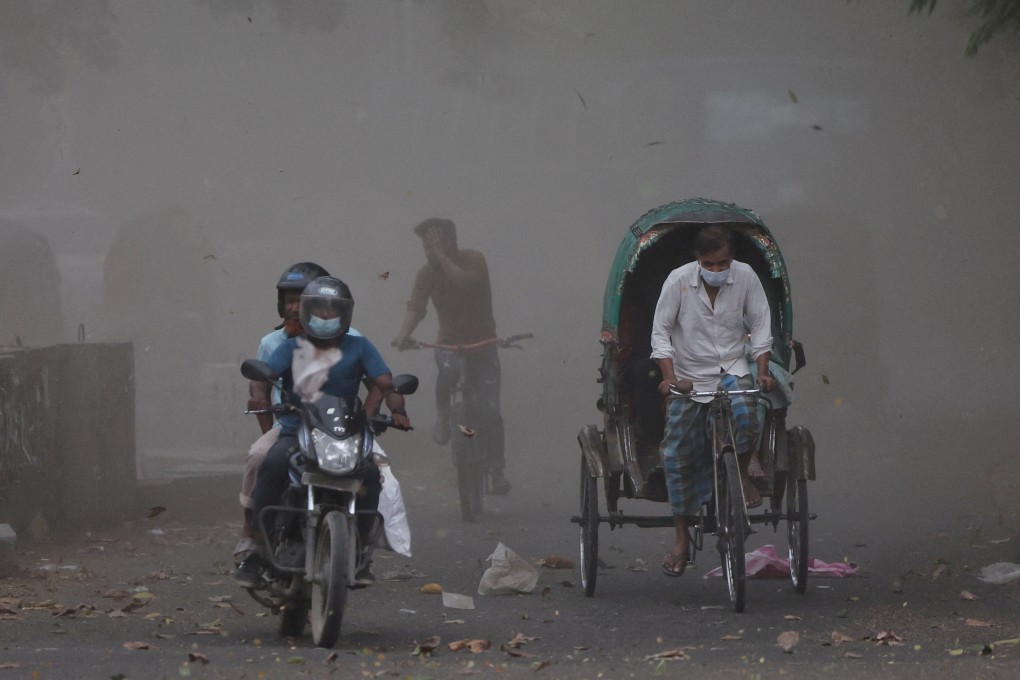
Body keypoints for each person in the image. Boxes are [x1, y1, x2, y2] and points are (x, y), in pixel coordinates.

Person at [233, 276, 411, 587]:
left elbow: (385, 382)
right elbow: (262, 378)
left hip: (345, 432)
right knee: (272, 464)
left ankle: (360, 553)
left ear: (345, 314)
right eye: (320, 310)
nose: (326, 316)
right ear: (307, 312)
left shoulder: (359, 346)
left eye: (333, 310)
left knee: (370, 475)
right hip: (296, 430)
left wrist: (398, 411)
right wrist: (259, 396)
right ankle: (259, 551)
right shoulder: (291, 347)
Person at [650, 225, 776, 577]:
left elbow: (761, 326)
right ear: (698, 259)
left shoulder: (746, 277)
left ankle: (742, 472)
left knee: (750, 417)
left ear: (731, 258)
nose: (717, 270)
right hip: (690, 376)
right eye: (710, 264)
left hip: (733, 368)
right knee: (676, 454)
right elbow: (660, 332)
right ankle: (681, 539)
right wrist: (669, 377)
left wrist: (762, 371)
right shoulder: (678, 281)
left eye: (723, 263)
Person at [233, 261, 363, 564]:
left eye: (302, 301)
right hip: (292, 425)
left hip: (340, 425)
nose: (295, 308)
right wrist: (269, 426)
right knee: (259, 457)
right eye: (290, 300)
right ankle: (252, 532)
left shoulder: (352, 340)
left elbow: (376, 380)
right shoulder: (272, 343)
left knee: (377, 471)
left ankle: (364, 538)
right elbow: (260, 383)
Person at [391, 218, 510, 495]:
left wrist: (442, 256)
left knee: (491, 410)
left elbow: (468, 284)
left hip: (483, 343)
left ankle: (497, 470)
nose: (428, 252)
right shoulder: (426, 273)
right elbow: (416, 307)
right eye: (425, 247)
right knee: (446, 373)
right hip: (449, 343)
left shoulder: (474, 260)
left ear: (449, 243)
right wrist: (403, 335)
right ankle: (444, 416)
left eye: (432, 246)